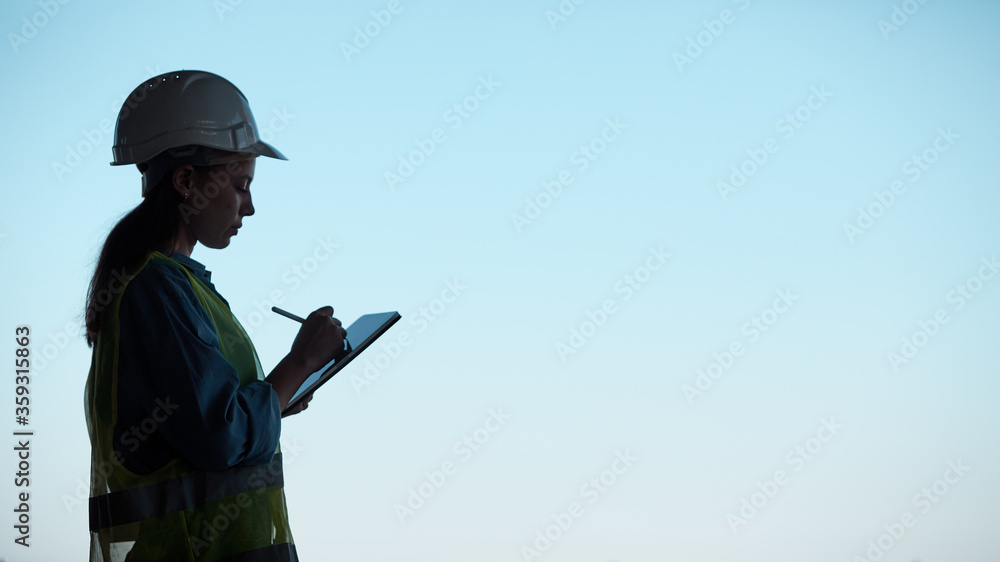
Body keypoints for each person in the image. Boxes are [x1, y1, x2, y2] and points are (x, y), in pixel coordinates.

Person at [84, 70, 342, 561]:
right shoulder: (156, 287)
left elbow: (191, 425)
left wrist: (277, 401)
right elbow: (218, 436)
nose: (249, 206)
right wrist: (300, 363)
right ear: (186, 181)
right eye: (241, 184)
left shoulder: (169, 284)